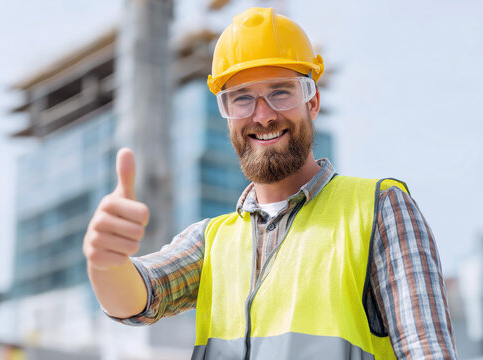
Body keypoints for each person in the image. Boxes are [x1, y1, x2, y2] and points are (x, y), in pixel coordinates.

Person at [83, 7, 457, 359]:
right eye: (241, 98)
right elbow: (140, 298)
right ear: (227, 117)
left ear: (312, 102)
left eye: (280, 91)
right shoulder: (211, 243)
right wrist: (106, 263)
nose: (262, 115)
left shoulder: (379, 210)